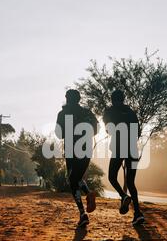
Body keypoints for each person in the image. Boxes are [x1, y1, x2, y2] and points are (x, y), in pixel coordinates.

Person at [55, 89, 98, 227]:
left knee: (73, 181)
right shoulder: (87, 113)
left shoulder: (62, 114)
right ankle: (88, 194)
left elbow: (59, 134)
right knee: (77, 178)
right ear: (79, 99)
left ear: (67, 98)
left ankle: (82, 213)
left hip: (71, 151)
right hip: (85, 150)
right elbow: (96, 130)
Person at [103, 90, 144, 225]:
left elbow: (109, 130)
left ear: (112, 99)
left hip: (119, 148)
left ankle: (123, 196)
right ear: (123, 98)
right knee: (131, 182)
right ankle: (138, 214)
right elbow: (138, 132)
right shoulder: (131, 112)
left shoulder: (109, 112)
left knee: (111, 177)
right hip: (132, 149)